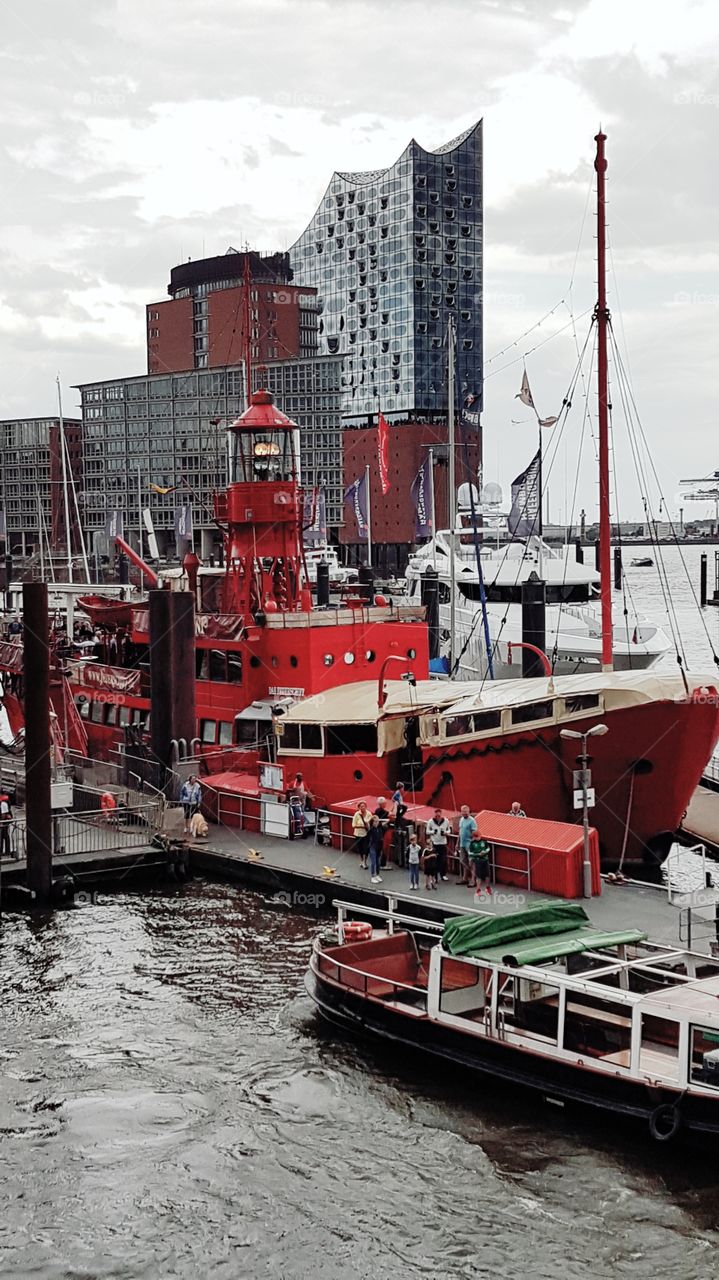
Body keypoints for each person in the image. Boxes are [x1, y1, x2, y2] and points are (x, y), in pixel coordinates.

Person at [425, 808, 451, 881]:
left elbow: (449, 830)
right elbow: (427, 831)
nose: (438, 816)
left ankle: (443, 874)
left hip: (443, 843)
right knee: (434, 860)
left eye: (439, 815)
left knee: (443, 860)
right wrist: (433, 832)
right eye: (437, 815)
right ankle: (435, 876)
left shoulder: (446, 821)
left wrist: (446, 832)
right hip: (434, 843)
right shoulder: (430, 821)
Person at [457, 804, 478, 885]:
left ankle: (473, 880)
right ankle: (465, 878)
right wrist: (457, 843)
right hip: (462, 844)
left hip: (469, 844)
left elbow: (475, 834)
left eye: (466, 812)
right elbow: (460, 832)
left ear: (469, 812)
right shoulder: (461, 819)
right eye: (463, 812)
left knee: (472, 862)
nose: (465, 813)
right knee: (463, 861)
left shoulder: (472, 821)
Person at [391, 782, 409, 867]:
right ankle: (399, 860)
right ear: (401, 788)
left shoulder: (397, 794)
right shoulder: (399, 795)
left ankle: (399, 860)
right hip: (398, 824)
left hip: (397, 822)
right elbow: (400, 804)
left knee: (398, 843)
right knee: (399, 843)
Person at [469, 833, 493, 897]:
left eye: (478, 836)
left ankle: (487, 888)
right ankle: (478, 890)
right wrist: (477, 854)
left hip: (485, 860)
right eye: (476, 837)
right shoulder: (472, 843)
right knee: (478, 876)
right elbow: (470, 853)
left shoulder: (484, 841)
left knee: (487, 875)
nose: (477, 838)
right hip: (477, 861)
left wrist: (484, 852)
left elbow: (488, 848)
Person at [352, 801, 371, 869]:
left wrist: (367, 825)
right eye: (361, 806)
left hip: (366, 834)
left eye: (364, 806)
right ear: (359, 807)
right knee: (360, 848)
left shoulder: (369, 814)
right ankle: (361, 860)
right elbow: (353, 825)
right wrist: (362, 826)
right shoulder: (357, 814)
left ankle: (364, 862)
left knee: (366, 848)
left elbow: (370, 823)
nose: (363, 807)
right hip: (358, 833)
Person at [374, 797, 391, 868]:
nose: (386, 804)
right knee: (383, 848)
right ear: (382, 804)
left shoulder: (377, 810)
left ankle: (377, 863)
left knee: (378, 849)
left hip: (378, 833)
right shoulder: (382, 811)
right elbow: (391, 814)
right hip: (382, 833)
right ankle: (382, 864)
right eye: (385, 803)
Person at [367, 815, 385, 884]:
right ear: (372, 822)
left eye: (377, 822)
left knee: (378, 862)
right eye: (375, 822)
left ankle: (377, 874)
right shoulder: (371, 829)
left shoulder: (380, 828)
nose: (376, 823)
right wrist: (371, 820)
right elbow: (367, 824)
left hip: (379, 847)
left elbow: (385, 823)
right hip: (372, 847)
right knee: (373, 862)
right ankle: (372, 876)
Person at [0, 792, 13, 859]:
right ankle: (3, 851)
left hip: (4, 823)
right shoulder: (3, 801)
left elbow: (3, 814)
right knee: (3, 837)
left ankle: (6, 851)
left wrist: (1, 822)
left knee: (4, 836)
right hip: (3, 822)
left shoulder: (3, 803)